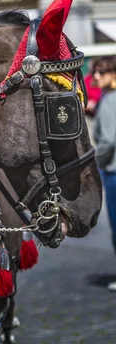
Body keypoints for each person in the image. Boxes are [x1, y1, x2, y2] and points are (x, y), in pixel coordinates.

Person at [90, 56, 116, 291]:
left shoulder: (109, 102)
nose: (96, 77)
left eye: (101, 72)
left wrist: (96, 165)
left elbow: (108, 141)